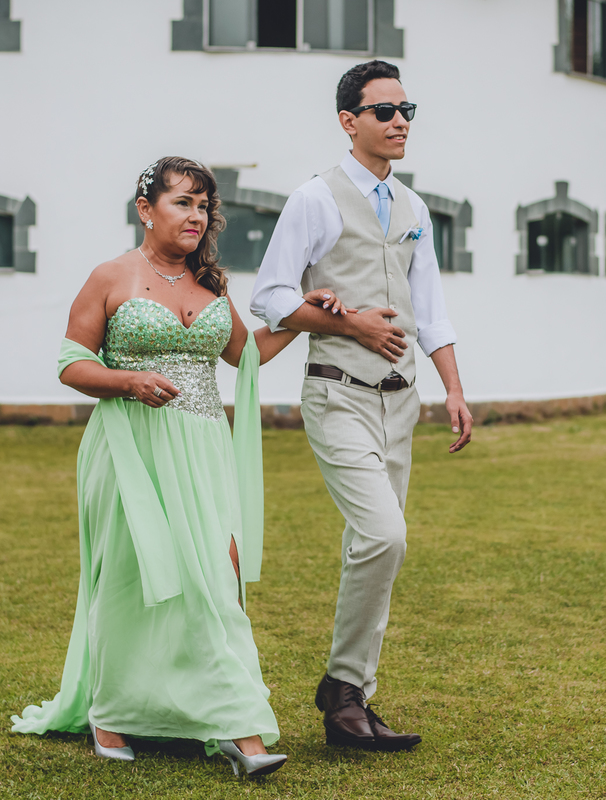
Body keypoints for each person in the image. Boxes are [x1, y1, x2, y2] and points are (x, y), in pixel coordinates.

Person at [11, 157, 351, 779]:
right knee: (132, 574)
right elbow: (69, 361)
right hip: (128, 444)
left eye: (203, 206)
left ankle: (236, 728)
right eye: (182, 203)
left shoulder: (212, 285)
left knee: (217, 578)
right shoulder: (110, 276)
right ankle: (110, 714)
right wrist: (126, 380)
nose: (196, 216)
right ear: (147, 209)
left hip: (202, 447)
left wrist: (306, 314)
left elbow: (248, 356)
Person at [250, 60, 474, 751]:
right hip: (336, 393)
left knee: (371, 548)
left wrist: (455, 388)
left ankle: (351, 703)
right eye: (384, 111)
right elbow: (271, 296)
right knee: (385, 535)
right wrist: (347, 324)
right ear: (349, 122)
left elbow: (428, 308)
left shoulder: (415, 209)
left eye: (407, 108)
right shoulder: (313, 199)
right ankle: (344, 692)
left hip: (401, 402)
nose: (400, 120)